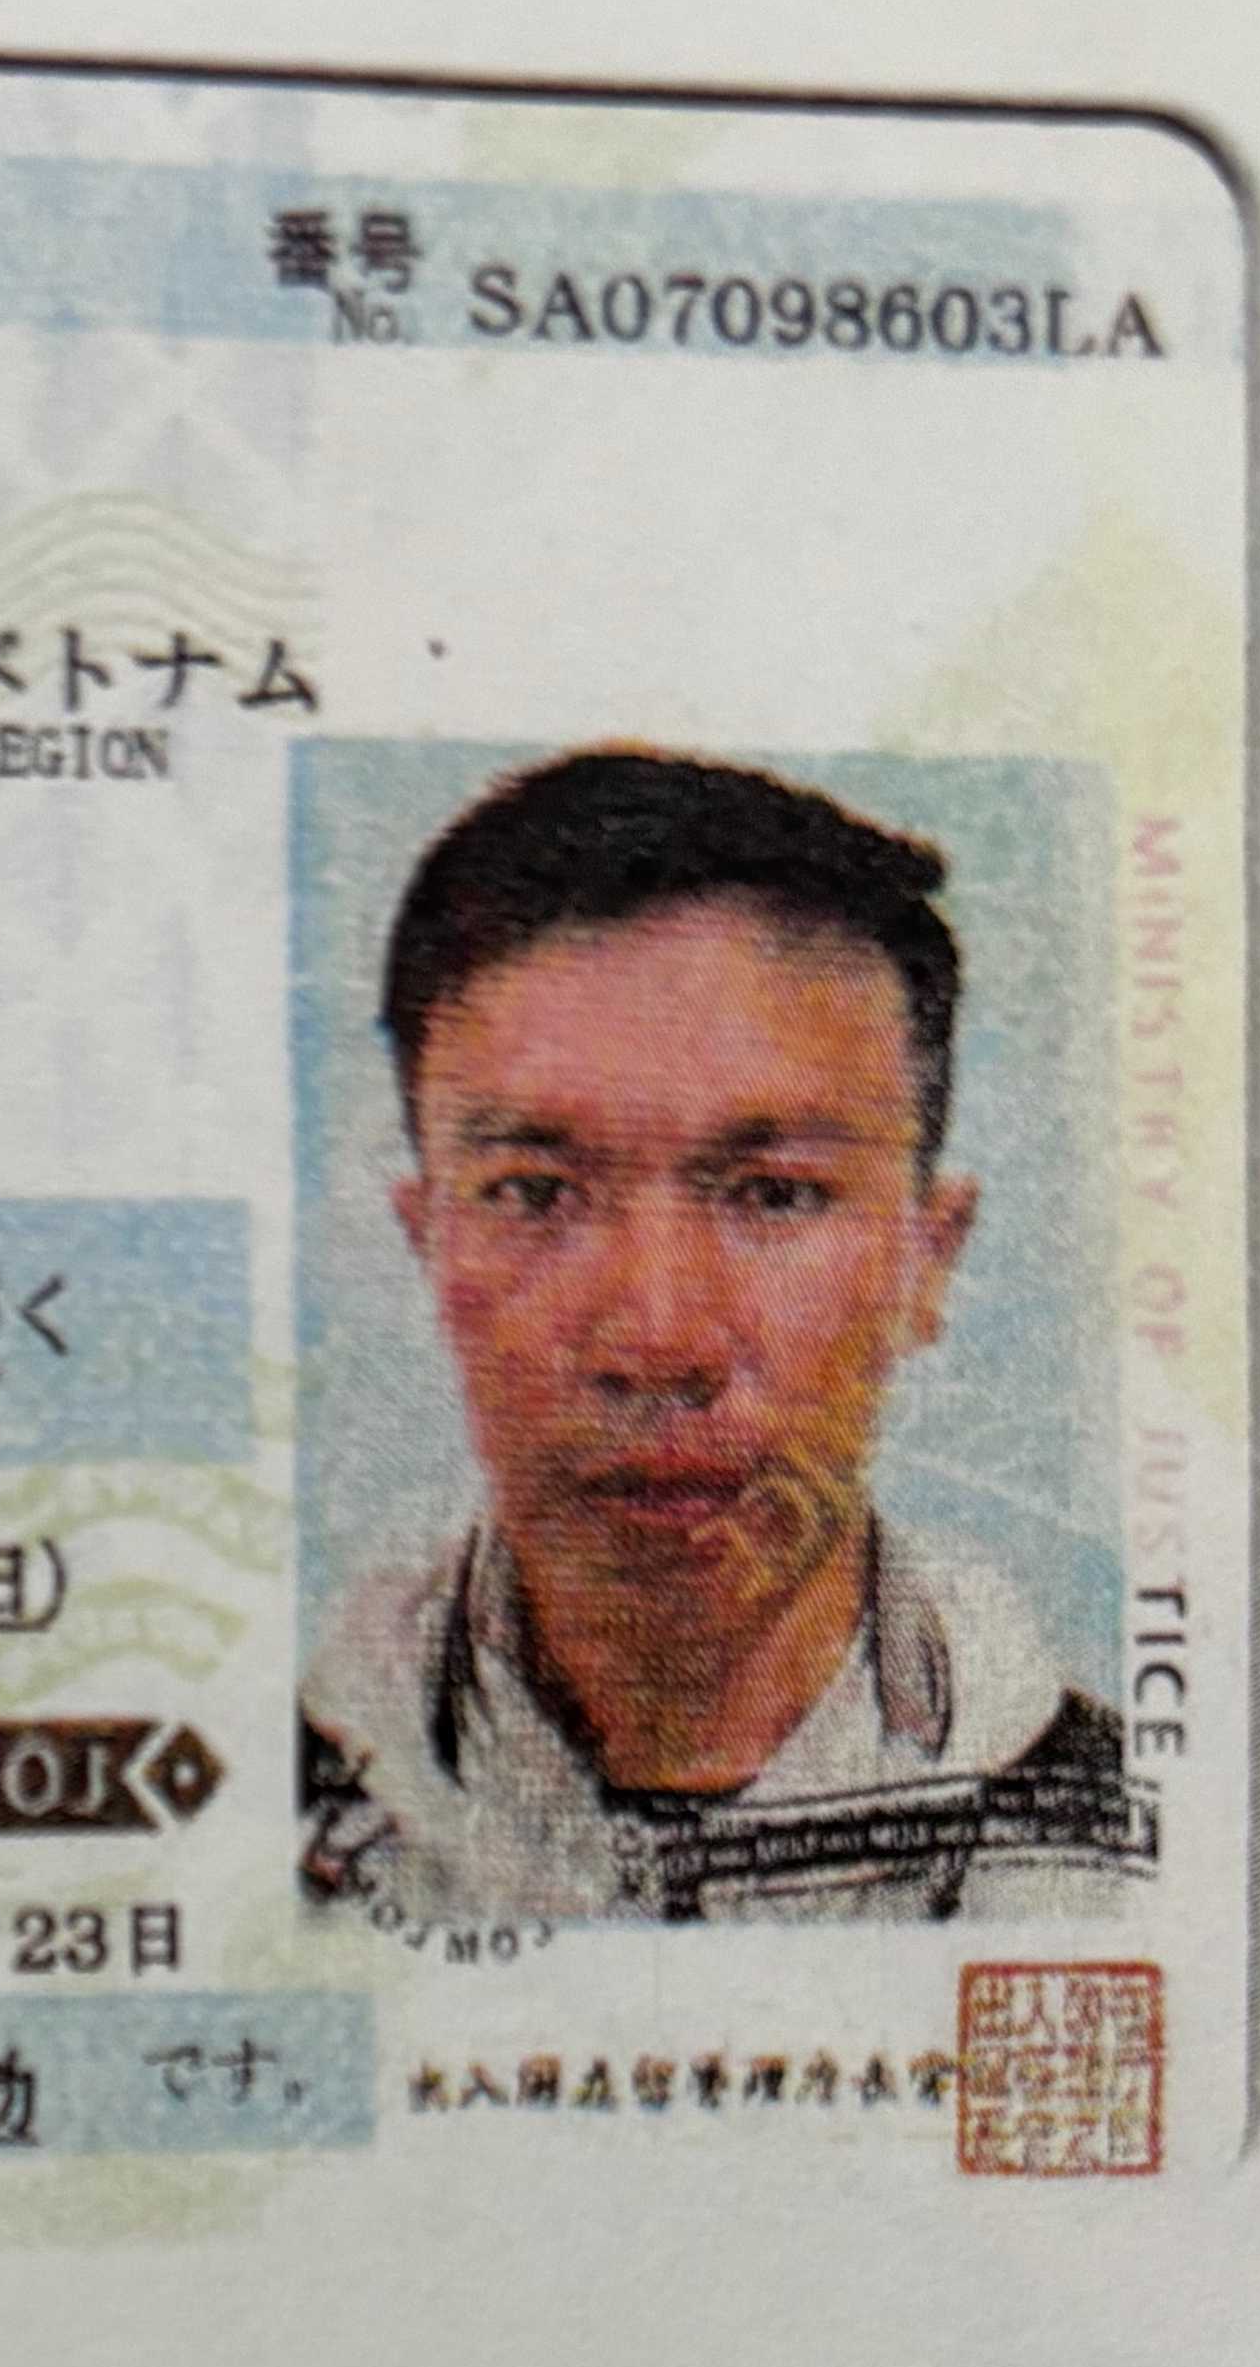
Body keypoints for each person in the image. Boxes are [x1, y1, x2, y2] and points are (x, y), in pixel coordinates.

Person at [301, 747, 1136, 1927]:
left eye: (775, 1194)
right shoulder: (272, 1814)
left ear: (927, 1260)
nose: (659, 1341)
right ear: (428, 1244)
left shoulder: (1128, 1858)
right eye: (535, 1193)